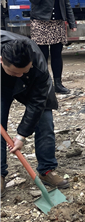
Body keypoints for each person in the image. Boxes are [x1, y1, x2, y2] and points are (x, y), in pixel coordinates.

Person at [1, 31, 69, 198]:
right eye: (16, 73)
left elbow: (38, 101)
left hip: (32, 86)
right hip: (2, 87)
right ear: (1, 60)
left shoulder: (37, 64)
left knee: (45, 122)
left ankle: (46, 170)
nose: (20, 75)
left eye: (24, 71)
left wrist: (21, 136)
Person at [25, 0, 77, 94]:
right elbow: (34, 0)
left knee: (56, 54)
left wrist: (72, 22)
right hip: (40, 23)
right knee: (41, 56)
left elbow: (66, 2)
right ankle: (44, 85)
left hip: (58, 23)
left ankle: (58, 84)